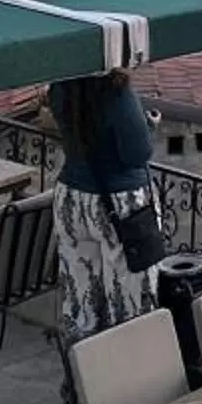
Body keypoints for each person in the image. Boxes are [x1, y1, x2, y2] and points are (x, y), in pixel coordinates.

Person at [45, 69, 157, 339]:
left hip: (71, 198)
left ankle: (84, 360)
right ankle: (126, 360)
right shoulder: (116, 91)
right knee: (131, 303)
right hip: (120, 207)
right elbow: (137, 152)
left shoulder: (61, 86)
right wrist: (149, 125)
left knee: (80, 299)